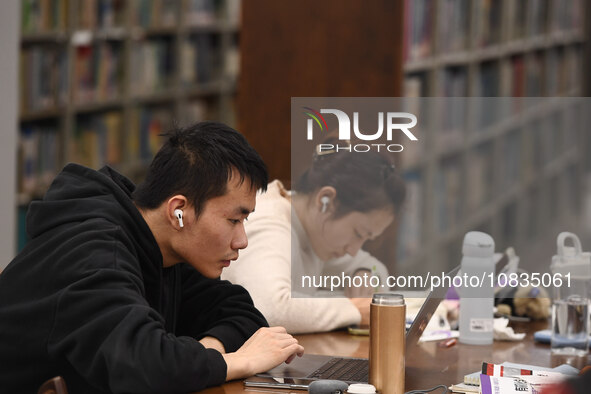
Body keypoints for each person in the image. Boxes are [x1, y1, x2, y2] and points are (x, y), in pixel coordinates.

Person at [0, 122, 304, 393]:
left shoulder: (163, 247)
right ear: (178, 211)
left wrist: (209, 352)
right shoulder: (96, 253)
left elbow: (242, 313)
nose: (242, 241)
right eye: (233, 221)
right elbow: (145, 365)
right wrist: (239, 362)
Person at [221, 143, 406, 333]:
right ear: (326, 200)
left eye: (366, 239)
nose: (353, 250)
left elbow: (378, 270)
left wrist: (364, 271)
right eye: (358, 233)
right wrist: (354, 309)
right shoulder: (271, 226)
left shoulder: (313, 226)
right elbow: (271, 309)